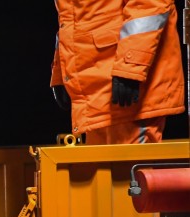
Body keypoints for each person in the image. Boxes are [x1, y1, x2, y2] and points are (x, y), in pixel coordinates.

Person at [51, 0, 184, 145]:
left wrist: (130, 66)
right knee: (103, 166)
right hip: (95, 90)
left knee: (128, 165)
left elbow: (148, 5)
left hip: (130, 86)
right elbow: (69, 19)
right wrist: (61, 74)